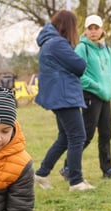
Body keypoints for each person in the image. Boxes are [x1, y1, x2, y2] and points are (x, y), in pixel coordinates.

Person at [32, 10, 92, 192]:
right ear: (68, 26)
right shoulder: (58, 43)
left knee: (65, 137)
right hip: (65, 97)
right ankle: (76, 181)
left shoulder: (47, 42)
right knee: (77, 136)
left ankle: (42, 173)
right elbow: (80, 65)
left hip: (58, 96)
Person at [75, 15, 111, 180]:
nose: (93, 32)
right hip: (91, 95)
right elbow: (78, 74)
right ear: (85, 31)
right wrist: (97, 87)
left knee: (106, 132)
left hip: (105, 96)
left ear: (102, 30)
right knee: (87, 134)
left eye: (96, 28)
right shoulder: (82, 48)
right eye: (90, 28)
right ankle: (69, 166)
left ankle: (107, 169)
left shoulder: (106, 49)